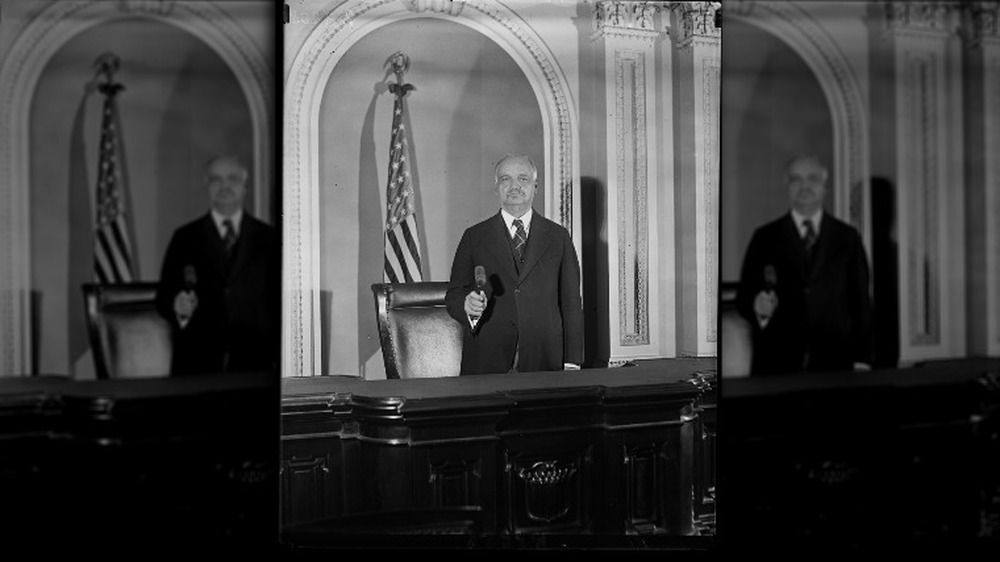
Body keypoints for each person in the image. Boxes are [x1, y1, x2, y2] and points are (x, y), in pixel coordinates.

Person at [445, 153, 584, 375]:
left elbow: (571, 303)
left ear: (535, 186)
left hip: (545, 360)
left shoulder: (558, 237)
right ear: (496, 187)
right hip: (487, 359)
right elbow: (453, 295)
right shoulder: (474, 236)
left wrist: (572, 361)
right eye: (505, 179)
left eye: (523, 179)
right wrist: (466, 305)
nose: (514, 186)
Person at [736, 155, 872, 375]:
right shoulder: (765, 237)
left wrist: (862, 359)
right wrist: (759, 310)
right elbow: (744, 298)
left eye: (813, 179)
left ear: (825, 186)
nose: (804, 186)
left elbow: (861, 304)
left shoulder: (848, 238)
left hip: (836, 363)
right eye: (796, 179)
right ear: (787, 186)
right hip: (777, 362)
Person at [156, 156, 279, 375]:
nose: (224, 186)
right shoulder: (185, 238)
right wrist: (177, 305)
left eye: (232, 179)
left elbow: (278, 303)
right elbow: (163, 297)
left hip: (256, 365)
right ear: (207, 186)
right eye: (216, 180)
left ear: (245, 186)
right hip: (197, 363)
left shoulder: (270, 239)